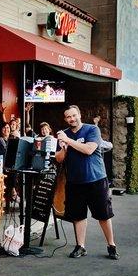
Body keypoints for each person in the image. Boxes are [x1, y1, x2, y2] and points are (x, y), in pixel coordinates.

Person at [55, 105, 119, 260]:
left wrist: (68, 140)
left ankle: (111, 245)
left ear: (79, 114)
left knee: (103, 214)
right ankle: (80, 246)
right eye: (68, 117)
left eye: (74, 115)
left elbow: (88, 150)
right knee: (78, 215)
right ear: (65, 119)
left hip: (96, 179)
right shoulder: (65, 135)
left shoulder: (92, 130)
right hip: (75, 181)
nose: (72, 119)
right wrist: (64, 148)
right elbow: (59, 158)